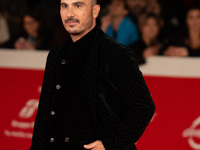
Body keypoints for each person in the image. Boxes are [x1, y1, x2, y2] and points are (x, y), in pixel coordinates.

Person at [30, 0, 155, 150]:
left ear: (95, 12)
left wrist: (111, 144)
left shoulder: (115, 53)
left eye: (78, 5)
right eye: (64, 6)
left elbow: (143, 106)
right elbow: (44, 112)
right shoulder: (56, 56)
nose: (70, 14)